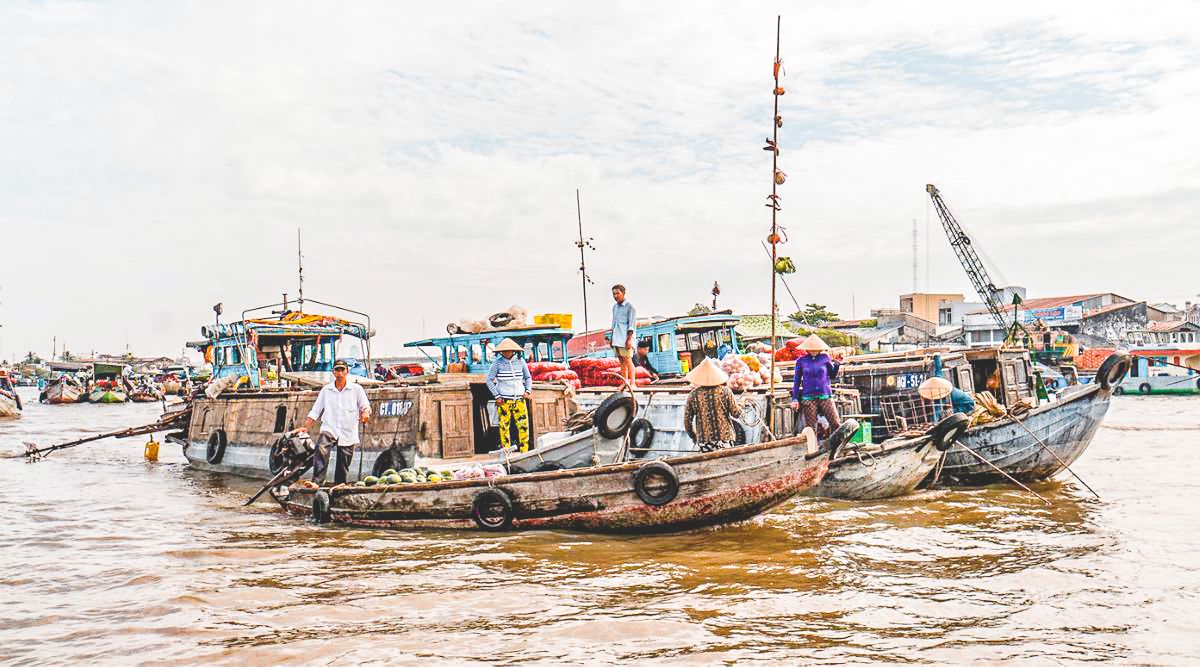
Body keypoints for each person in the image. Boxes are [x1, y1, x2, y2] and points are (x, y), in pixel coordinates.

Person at [300, 358, 371, 485]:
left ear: (347, 371)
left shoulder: (356, 389)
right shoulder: (326, 390)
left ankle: (339, 485)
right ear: (333, 372)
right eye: (337, 370)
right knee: (321, 447)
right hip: (330, 427)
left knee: (344, 462)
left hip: (348, 430)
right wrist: (306, 427)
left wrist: (365, 413)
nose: (339, 373)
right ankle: (317, 482)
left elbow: (365, 406)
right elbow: (316, 410)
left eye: (342, 370)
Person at [683, 358, 743, 452]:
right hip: (725, 440)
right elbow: (736, 413)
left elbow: (687, 421)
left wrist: (694, 436)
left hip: (705, 442)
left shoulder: (693, 395)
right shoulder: (725, 391)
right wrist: (742, 405)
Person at [789, 334, 842, 439]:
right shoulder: (801, 361)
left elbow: (832, 375)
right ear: (807, 349)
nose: (813, 350)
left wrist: (836, 364)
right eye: (811, 348)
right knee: (811, 428)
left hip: (825, 396)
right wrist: (794, 399)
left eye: (816, 348)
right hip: (808, 398)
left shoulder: (825, 358)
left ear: (820, 348)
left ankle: (838, 445)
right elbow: (796, 381)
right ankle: (813, 450)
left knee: (835, 423)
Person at [486, 338, 532, 452]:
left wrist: (528, 390)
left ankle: (524, 451)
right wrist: (497, 396)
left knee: (523, 426)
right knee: (504, 426)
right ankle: (506, 452)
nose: (507, 353)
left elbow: (528, 377)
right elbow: (489, 380)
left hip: (520, 400)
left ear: (514, 351)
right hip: (504, 401)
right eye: (504, 351)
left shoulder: (521, 362)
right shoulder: (497, 363)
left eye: (509, 350)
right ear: (501, 352)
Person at [611, 284, 636, 383]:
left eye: (617, 293)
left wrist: (629, 339)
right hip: (617, 339)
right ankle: (624, 383)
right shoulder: (615, 307)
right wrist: (612, 338)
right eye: (613, 294)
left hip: (625, 338)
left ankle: (633, 383)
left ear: (623, 293)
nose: (615, 296)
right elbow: (614, 324)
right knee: (621, 361)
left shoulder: (630, 307)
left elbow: (631, 325)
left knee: (628, 360)